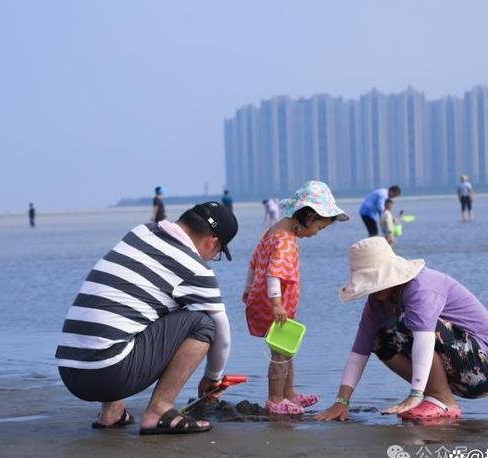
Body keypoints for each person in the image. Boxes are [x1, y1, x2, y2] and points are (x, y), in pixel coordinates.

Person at [56, 202, 238, 435]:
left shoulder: (141, 232)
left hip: (69, 370)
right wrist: (213, 378)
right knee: (203, 324)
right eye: (218, 253)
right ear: (212, 241)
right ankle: (159, 411)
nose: (212, 258)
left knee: (136, 309)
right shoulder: (196, 269)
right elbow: (221, 330)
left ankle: (111, 412)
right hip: (107, 374)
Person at [314, 237, 488, 423]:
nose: (373, 291)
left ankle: (442, 400)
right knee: (379, 338)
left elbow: (424, 339)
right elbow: (359, 351)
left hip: (487, 369)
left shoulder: (421, 287)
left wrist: (415, 394)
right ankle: (435, 395)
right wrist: (342, 402)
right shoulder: (377, 301)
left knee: (408, 323)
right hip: (457, 376)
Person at [243, 181, 349, 414]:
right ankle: (275, 400)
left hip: (266, 301)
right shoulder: (285, 241)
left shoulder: (274, 231)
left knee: (287, 350)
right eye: (319, 228)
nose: (316, 233)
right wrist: (277, 304)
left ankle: (289, 395)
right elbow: (273, 274)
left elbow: (254, 261)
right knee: (280, 354)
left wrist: (248, 287)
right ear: (309, 216)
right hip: (275, 306)